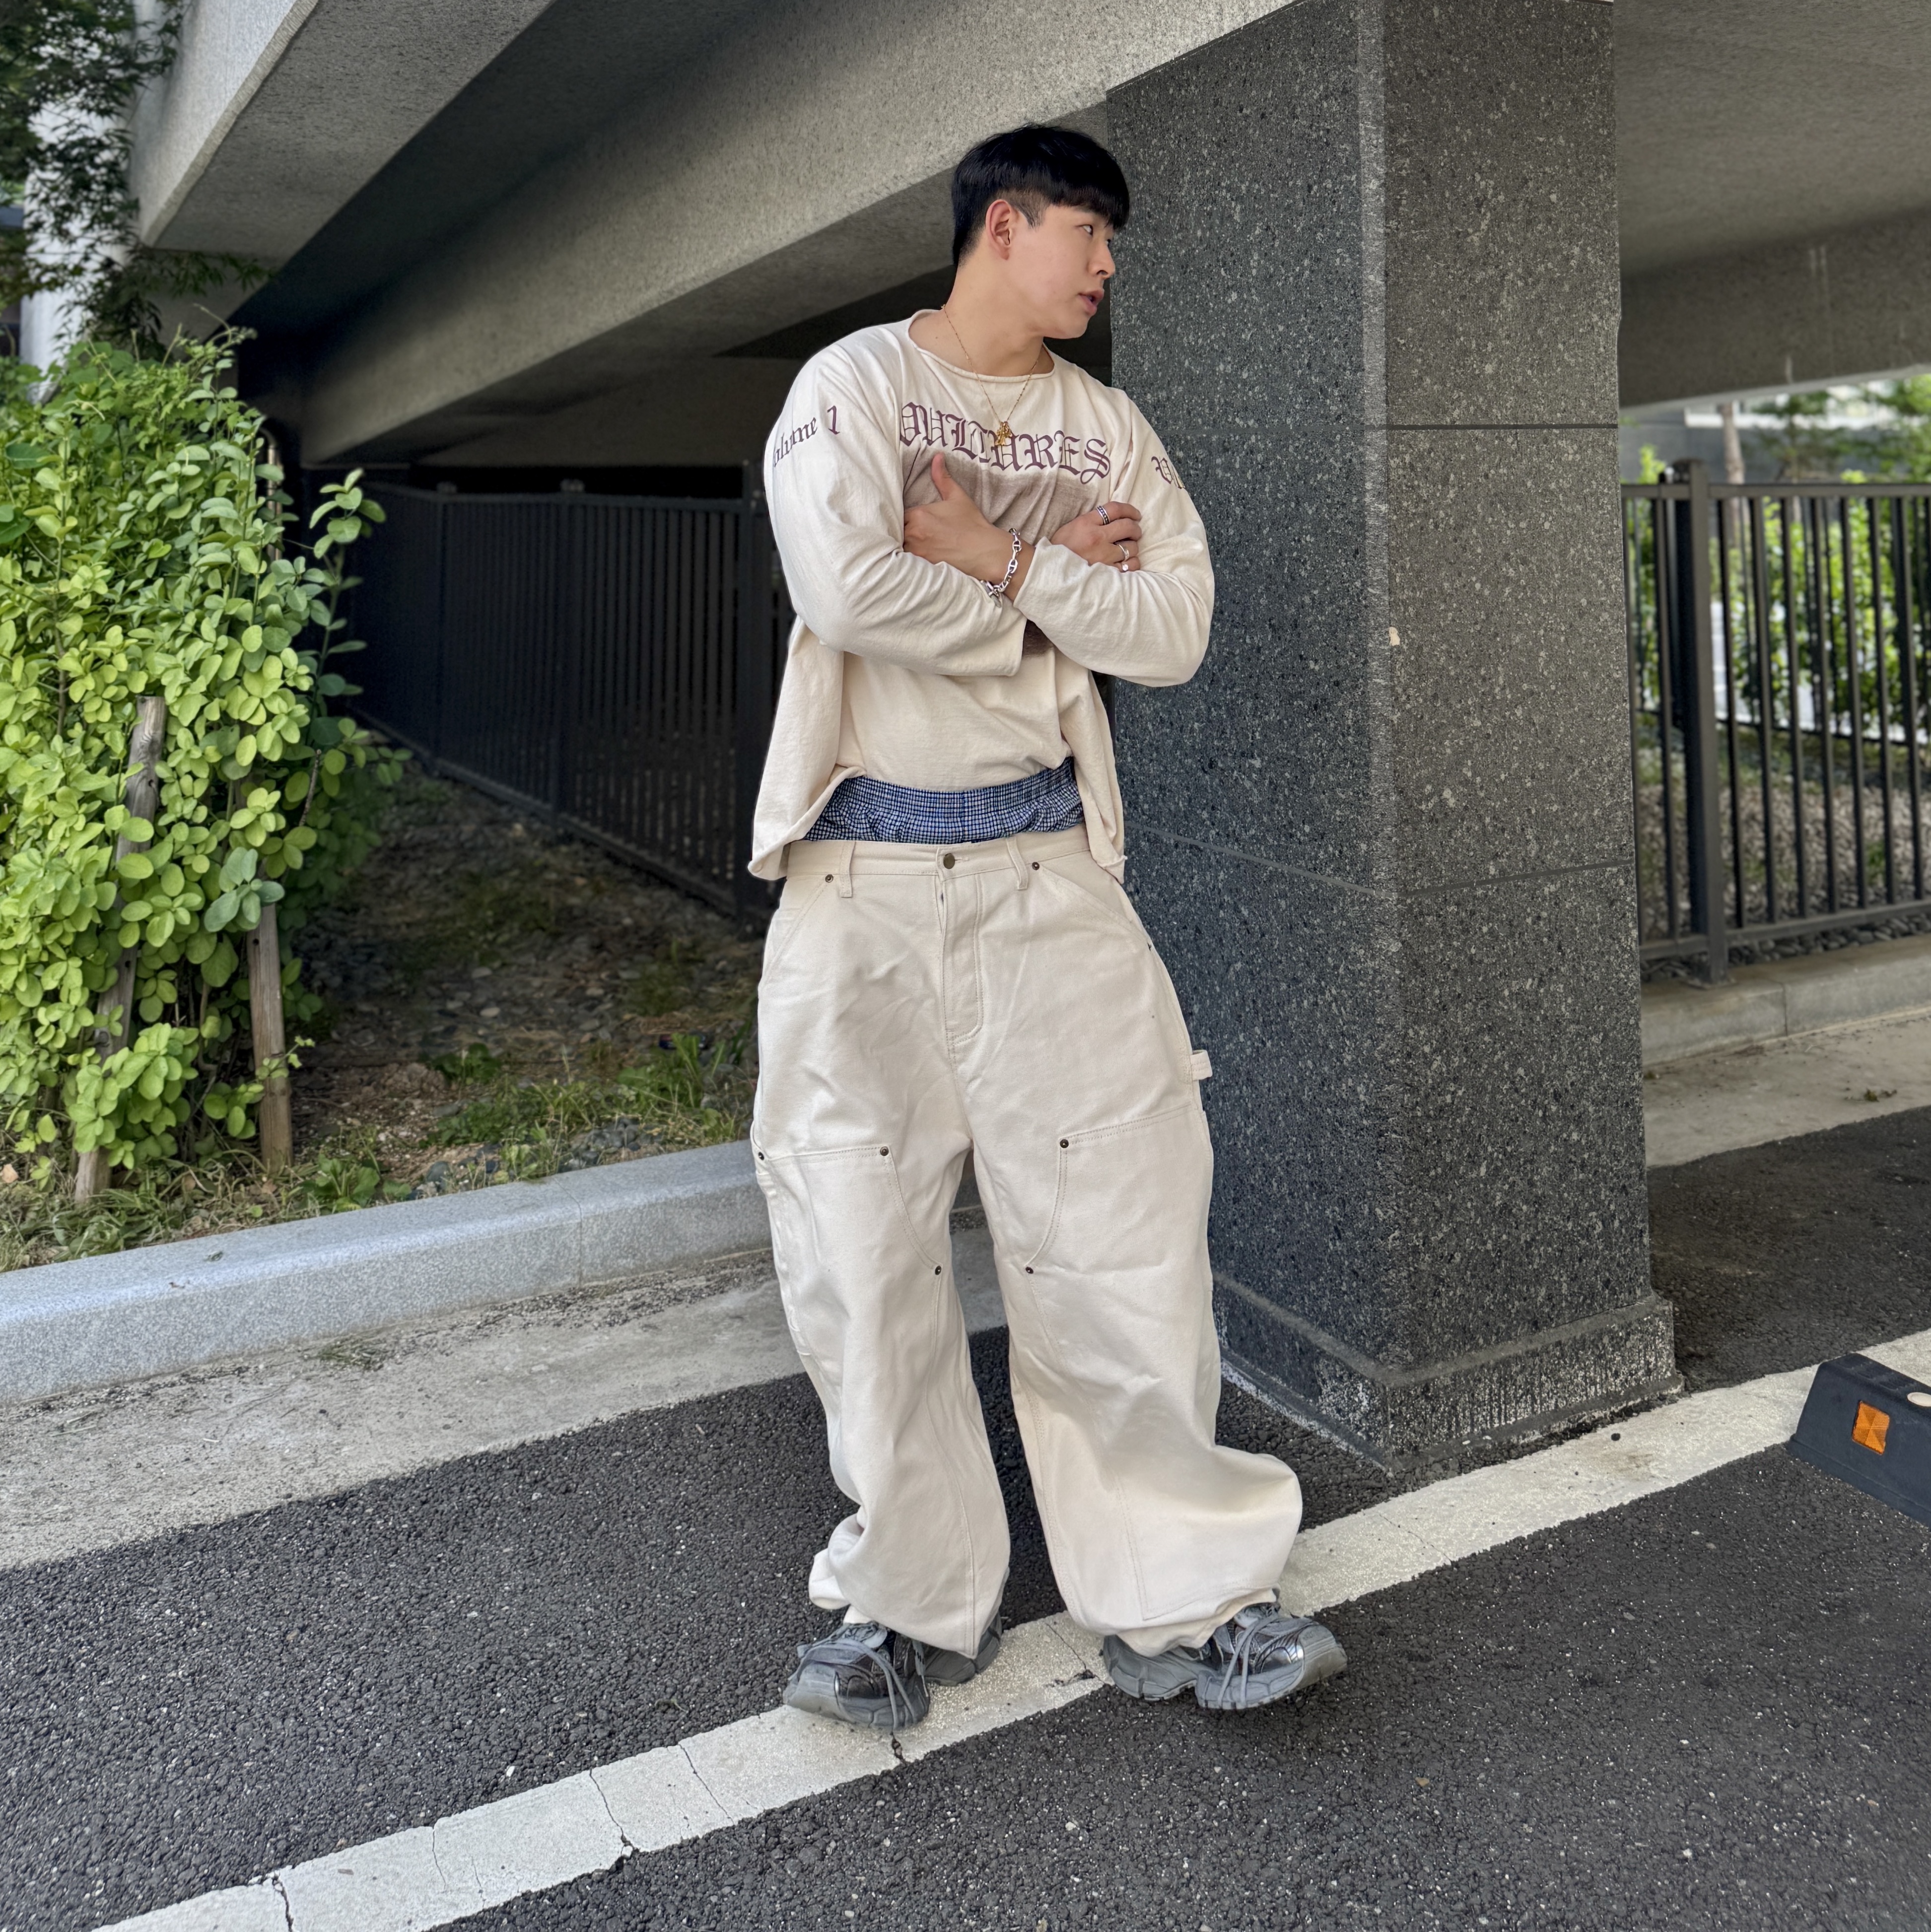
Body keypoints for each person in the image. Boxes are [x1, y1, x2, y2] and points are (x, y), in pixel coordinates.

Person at [751, 124, 1343, 1729]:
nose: (1102, 266)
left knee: (1124, 1243)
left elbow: (1173, 630)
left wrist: (987, 547)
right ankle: (900, 1603)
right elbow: (844, 586)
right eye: (1086, 235)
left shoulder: (1109, 426)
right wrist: (1045, 602)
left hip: (1044, 874)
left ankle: (1187, 1595)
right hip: (854, 884)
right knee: (858, 1257)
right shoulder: (857, 385)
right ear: (1003, 225)